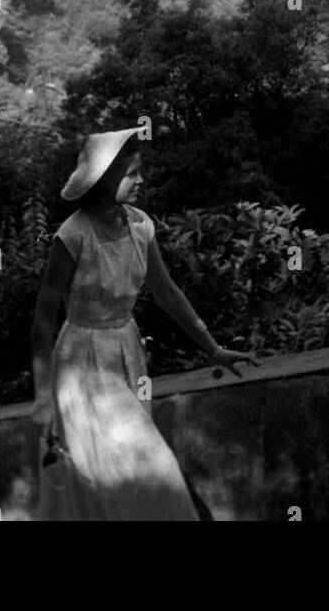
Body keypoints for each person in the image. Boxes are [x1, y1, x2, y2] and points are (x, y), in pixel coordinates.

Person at [31, 126, 258, 521]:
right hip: (81, 367)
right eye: (132, 173)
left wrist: (213, 348)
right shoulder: (72, 236)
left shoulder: (141, 226)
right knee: (149, 468)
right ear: (104, 179)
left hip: (127, 354)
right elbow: (43, 316)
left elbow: (167, 291)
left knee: (125, 479)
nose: (141, 180)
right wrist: (43, 398)